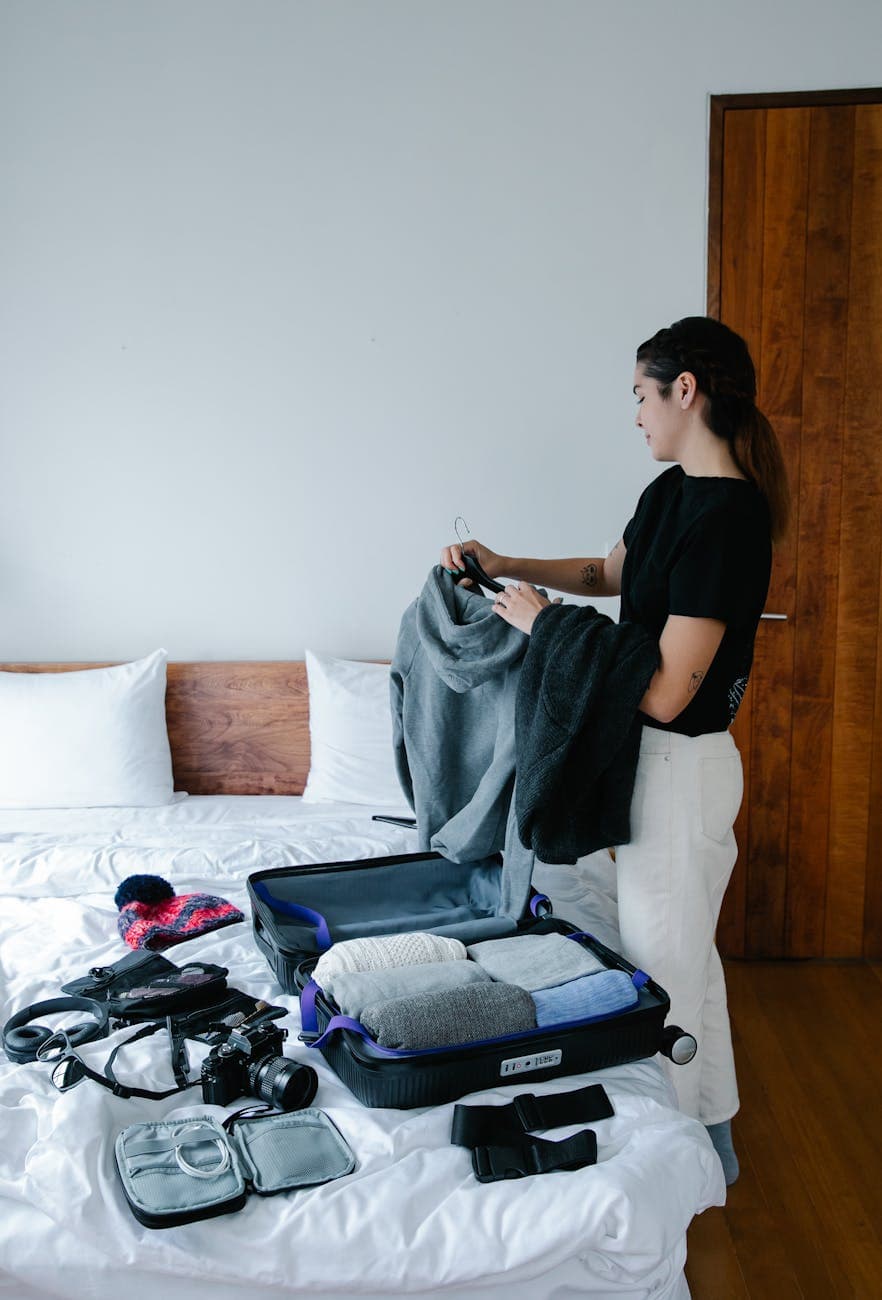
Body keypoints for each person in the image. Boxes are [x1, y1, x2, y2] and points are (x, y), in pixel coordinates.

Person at [440, 315, 789, 1185]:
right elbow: (609, 575)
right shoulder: (670, 494)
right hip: (651, 769)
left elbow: (669, 691)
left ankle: (671, 1176)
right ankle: (711, 1140)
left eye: (641, 394)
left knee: (661, 976)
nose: (635, 414)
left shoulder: (732, 520)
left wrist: (548, 628)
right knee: (686, 963)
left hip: (683, 772)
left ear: (686, 390)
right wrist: (507, 560)